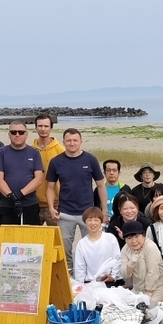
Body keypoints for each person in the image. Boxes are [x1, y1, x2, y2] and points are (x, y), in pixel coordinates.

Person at [45, 128, 106, 271]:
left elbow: (101, 186)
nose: (72, 143)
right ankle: (69, 273)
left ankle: (90, 272)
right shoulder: (56, 162)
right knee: (65, 248)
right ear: (64, 142)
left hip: (88, 213)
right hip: (65, 213)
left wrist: (104, 210)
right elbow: (50, 187)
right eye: (69, 140)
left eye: (75, 140)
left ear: (80, 142)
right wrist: (51, 207)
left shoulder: (90, 159)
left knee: (92, 245)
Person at [0, 121, 44, 226]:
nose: (17, 135)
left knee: (31, 238)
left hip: (30, 204)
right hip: (7, 205)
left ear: (26, 135)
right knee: (8, 239)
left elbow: (38, 179)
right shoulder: (1, 152)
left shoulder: (34, 152)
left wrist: (19, 194)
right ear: (9, 135)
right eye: (13, 132)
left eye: (21, 132)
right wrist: (11, 197)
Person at [120, 220, 163, 303]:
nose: (133, 241)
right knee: (125, 305)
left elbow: (153, 273)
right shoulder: (125, 249)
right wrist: (131, 264)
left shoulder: (150, 247)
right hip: (138, 288)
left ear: (143, 236)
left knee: (149, 309)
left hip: (157, 287)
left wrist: (148, 294)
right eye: (129, 238)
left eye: (136, 236)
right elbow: (124, 275)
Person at [72, 206, 122, 285]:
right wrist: (80, 286)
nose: (93, 223)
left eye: (96, 220)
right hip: (89, 283)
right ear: (85, 222)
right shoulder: (81, 244)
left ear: (101, 222)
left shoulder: (110, 238)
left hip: (108, 281)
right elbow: (79, 268)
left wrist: (113, 276)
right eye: (89, 220)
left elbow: (117, 259)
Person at [31, 113, 64, 226]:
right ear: (36, 128)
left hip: (55, 204)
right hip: (34, 203)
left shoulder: (61, 150)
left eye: (46, 126)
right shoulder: (30, 150)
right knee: (33, 241)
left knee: (56, 241)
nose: (43, 129)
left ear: (51, 128)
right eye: (40, 126)